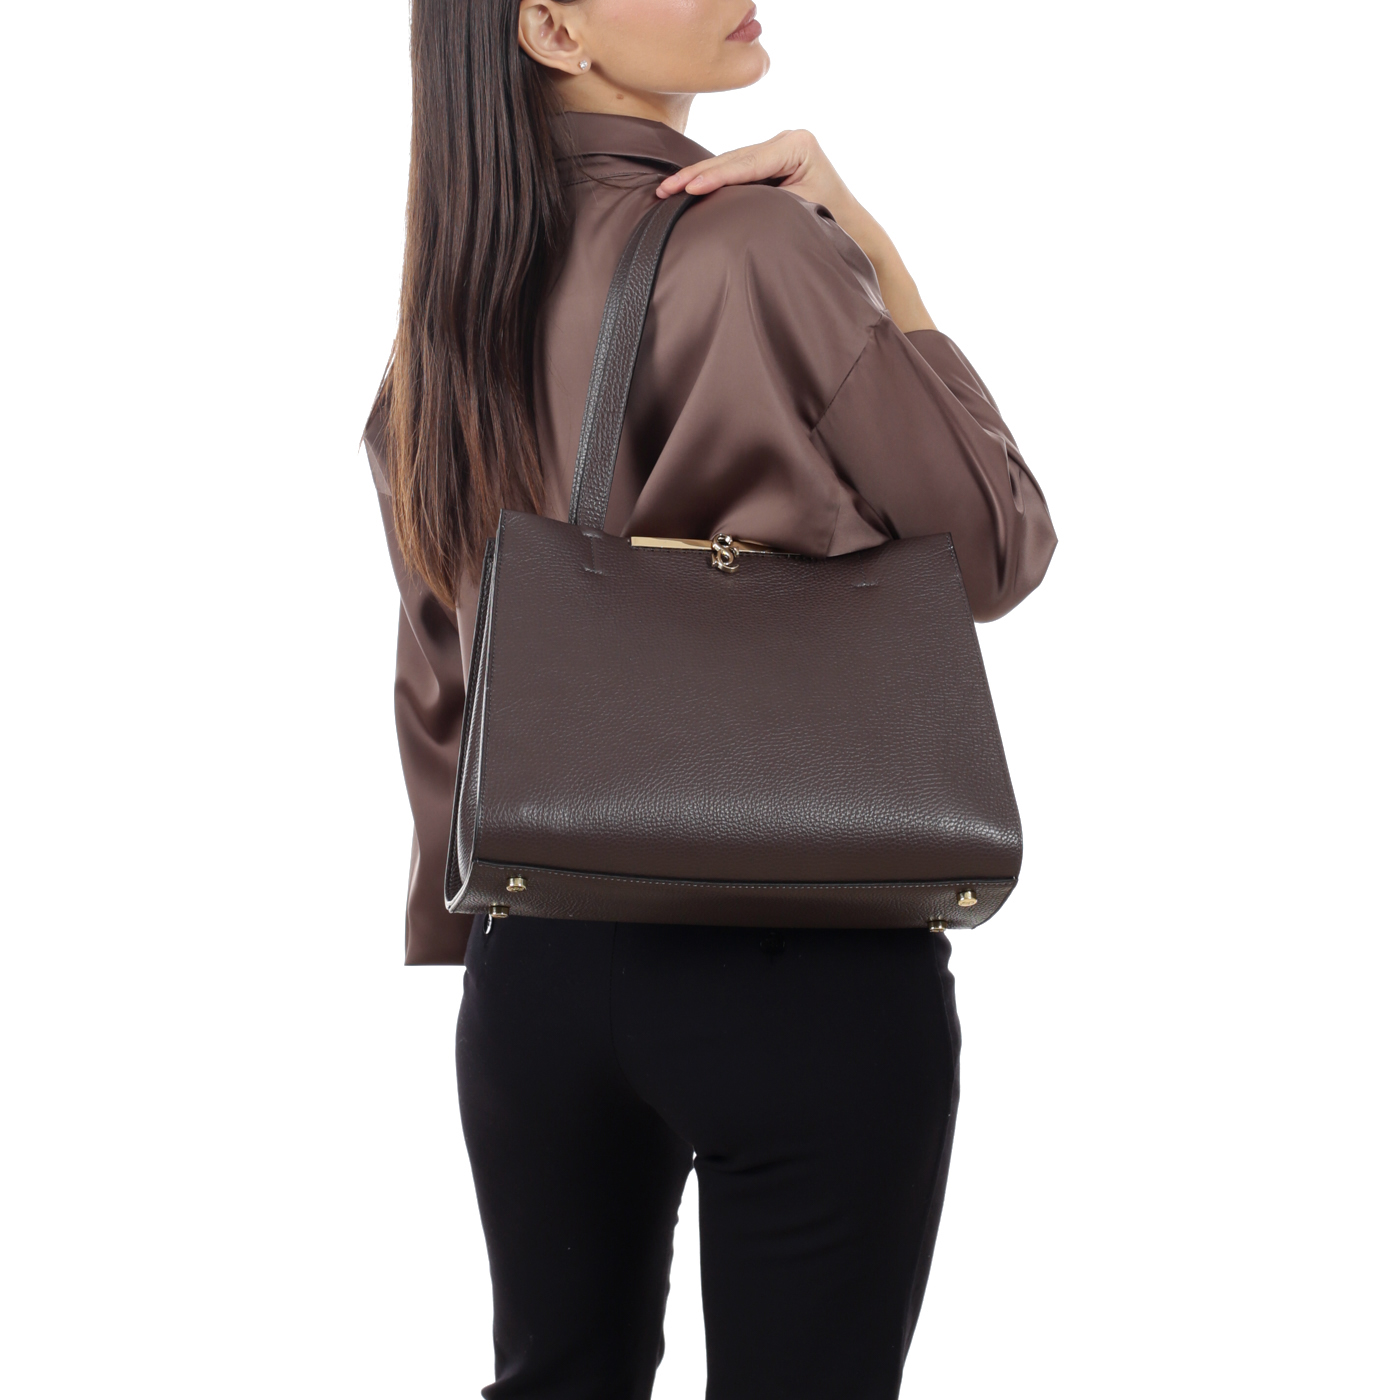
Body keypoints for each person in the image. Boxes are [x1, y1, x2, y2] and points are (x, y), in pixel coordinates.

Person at [365, 2, 1056, 1396]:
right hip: (797, 951)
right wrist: (875, 252)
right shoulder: (758, 247)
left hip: (536, 971)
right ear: (552, 29)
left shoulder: (447, 305)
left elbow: (445, 652)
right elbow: (998, 545)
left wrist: (473, 929)